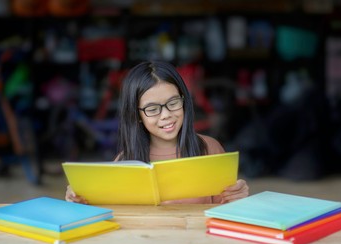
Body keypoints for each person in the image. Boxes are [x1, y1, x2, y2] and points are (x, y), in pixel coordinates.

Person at [65, 61, 249, 204]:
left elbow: (226, 211)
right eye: (152, 109)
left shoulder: (209, 149)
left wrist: (237, 196)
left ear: (184, 100)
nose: (166, 115)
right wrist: (81, 199)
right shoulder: (125, 160)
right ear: (137, 115)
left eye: (173, 102)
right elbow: (114, 212)